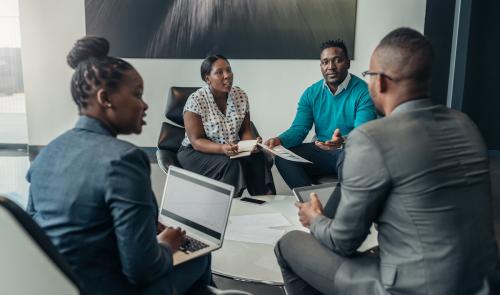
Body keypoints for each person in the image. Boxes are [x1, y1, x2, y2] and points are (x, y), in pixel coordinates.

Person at [274, 28, 500, 295]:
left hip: (412, 288)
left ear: (379, 83)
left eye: (369, 76)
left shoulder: (371, 139)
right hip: (484, 282)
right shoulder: (466, 125)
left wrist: (315, 219)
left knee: (288, 244)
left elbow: (343, 242)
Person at [26, 36, 211, 295]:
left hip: (60, 285)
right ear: (105, 98)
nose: (145, 104)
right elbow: (141, 269)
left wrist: (144, 225)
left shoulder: (48, 153)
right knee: (200, 257)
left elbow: (48, 232)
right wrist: (166, 244)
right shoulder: (124, 159)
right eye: (137, 94)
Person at [265, 39, 376, 189]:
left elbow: (363, 135)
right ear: (321, 66)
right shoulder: (311, 93)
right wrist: (279, 140)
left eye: (337, 60)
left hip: (350, 151)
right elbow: (299, 129)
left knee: (354, 163)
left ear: (348, 63)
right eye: (325, 62)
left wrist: (342, 141)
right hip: (320, 150)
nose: (331, 67)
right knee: (283, 158)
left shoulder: (364, 92)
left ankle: (338, 208)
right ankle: (310, 202)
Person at [178, 54, 275, 197]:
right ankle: (228, 207)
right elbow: (196, 141)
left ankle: (266, 201)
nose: (227, 76)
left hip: (231, 149)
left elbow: (245, 130)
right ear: (207, 79)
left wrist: (251, 144)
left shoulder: (240, 95)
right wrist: (222, 148)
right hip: (195, 152)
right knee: (231, 164)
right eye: (219, 72)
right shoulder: (196, 100)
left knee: (258, 157)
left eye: (229, 70)